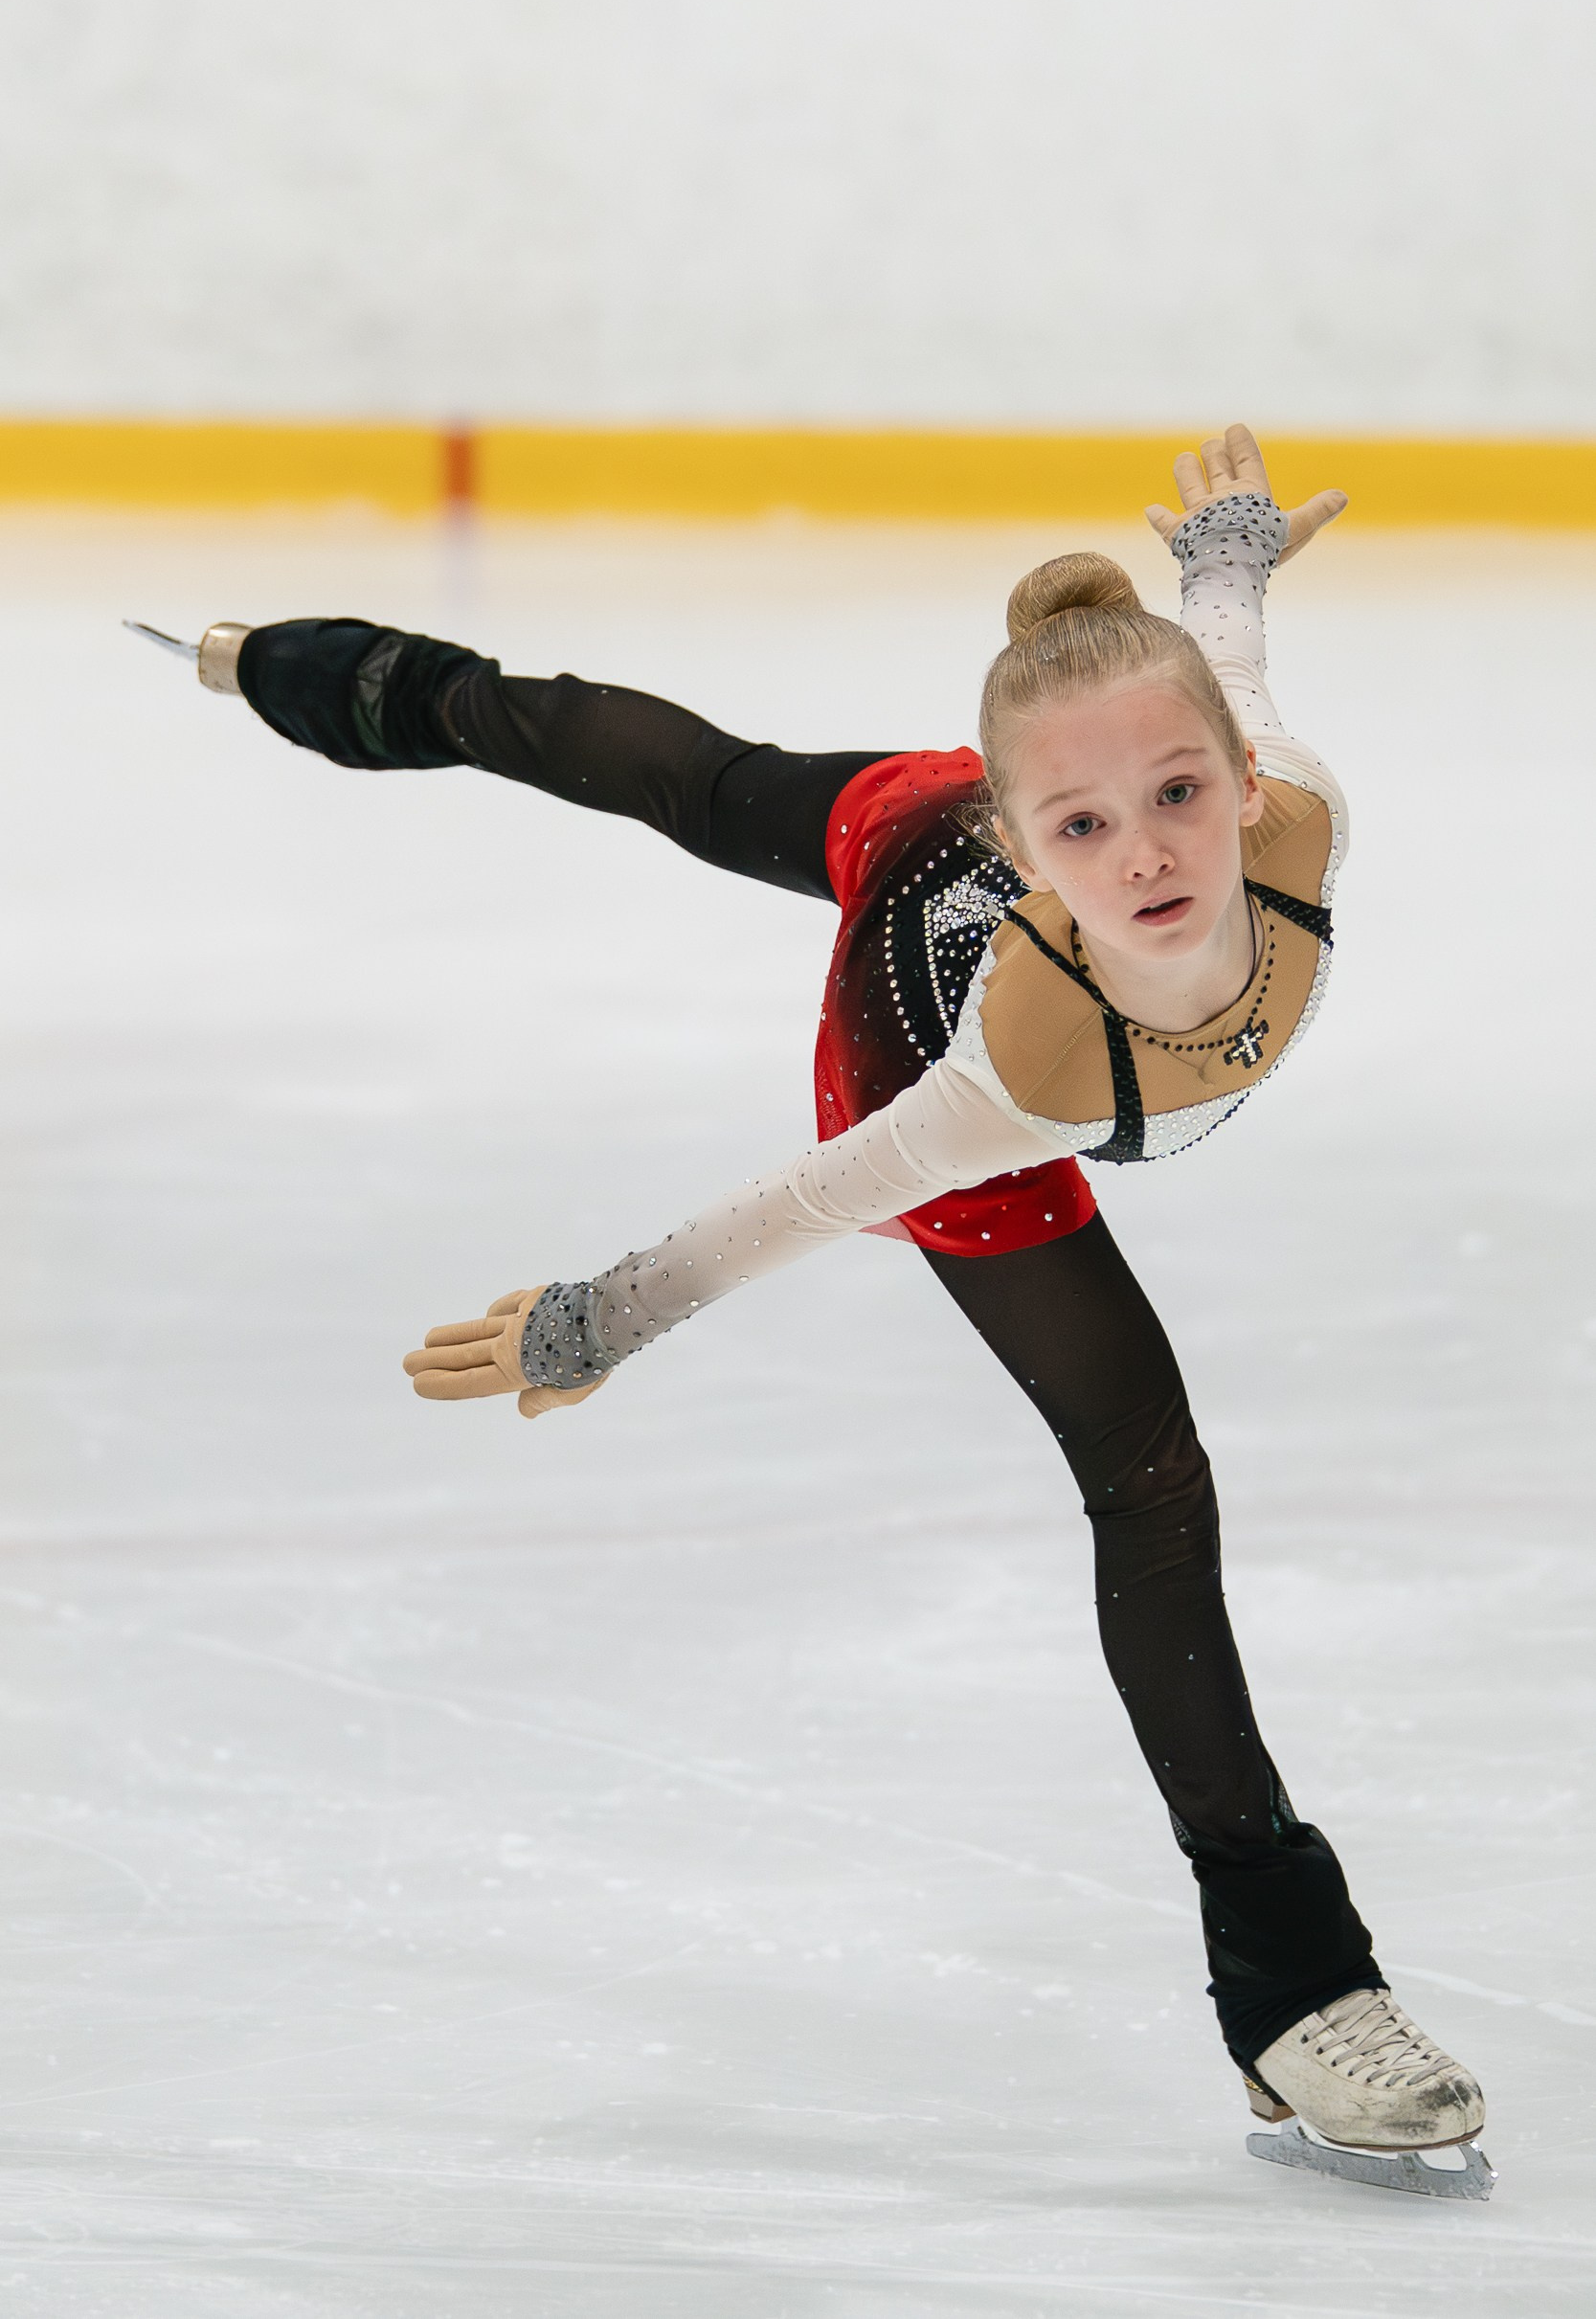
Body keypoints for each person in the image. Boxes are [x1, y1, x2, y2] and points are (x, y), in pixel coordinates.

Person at [158, 426, 1489, 2195]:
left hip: (991, 826)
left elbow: (1224, 672)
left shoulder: (1293, 815)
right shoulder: (1006, 1067)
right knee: (1149, 1479)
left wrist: (1228, 563)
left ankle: (344, 679)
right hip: (918, 1008)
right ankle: (1299, 1992)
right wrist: (595, 1323)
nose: (1150, 851)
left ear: (1244, 785)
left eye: (1179, 795)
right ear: (1020, 845)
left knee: (732, 787)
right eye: (1084, 827)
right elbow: (801, 1202)